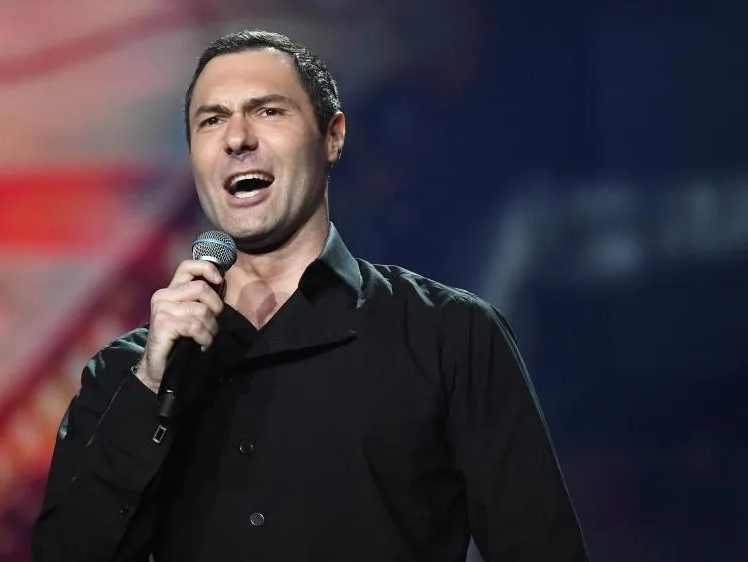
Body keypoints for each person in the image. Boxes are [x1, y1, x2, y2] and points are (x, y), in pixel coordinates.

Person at [31, 29, 588, 562]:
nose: (237, 138)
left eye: (268, 111)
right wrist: (152, 386)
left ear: (333, 137)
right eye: (212, 120)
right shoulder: (125, 375)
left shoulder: (451, 337)